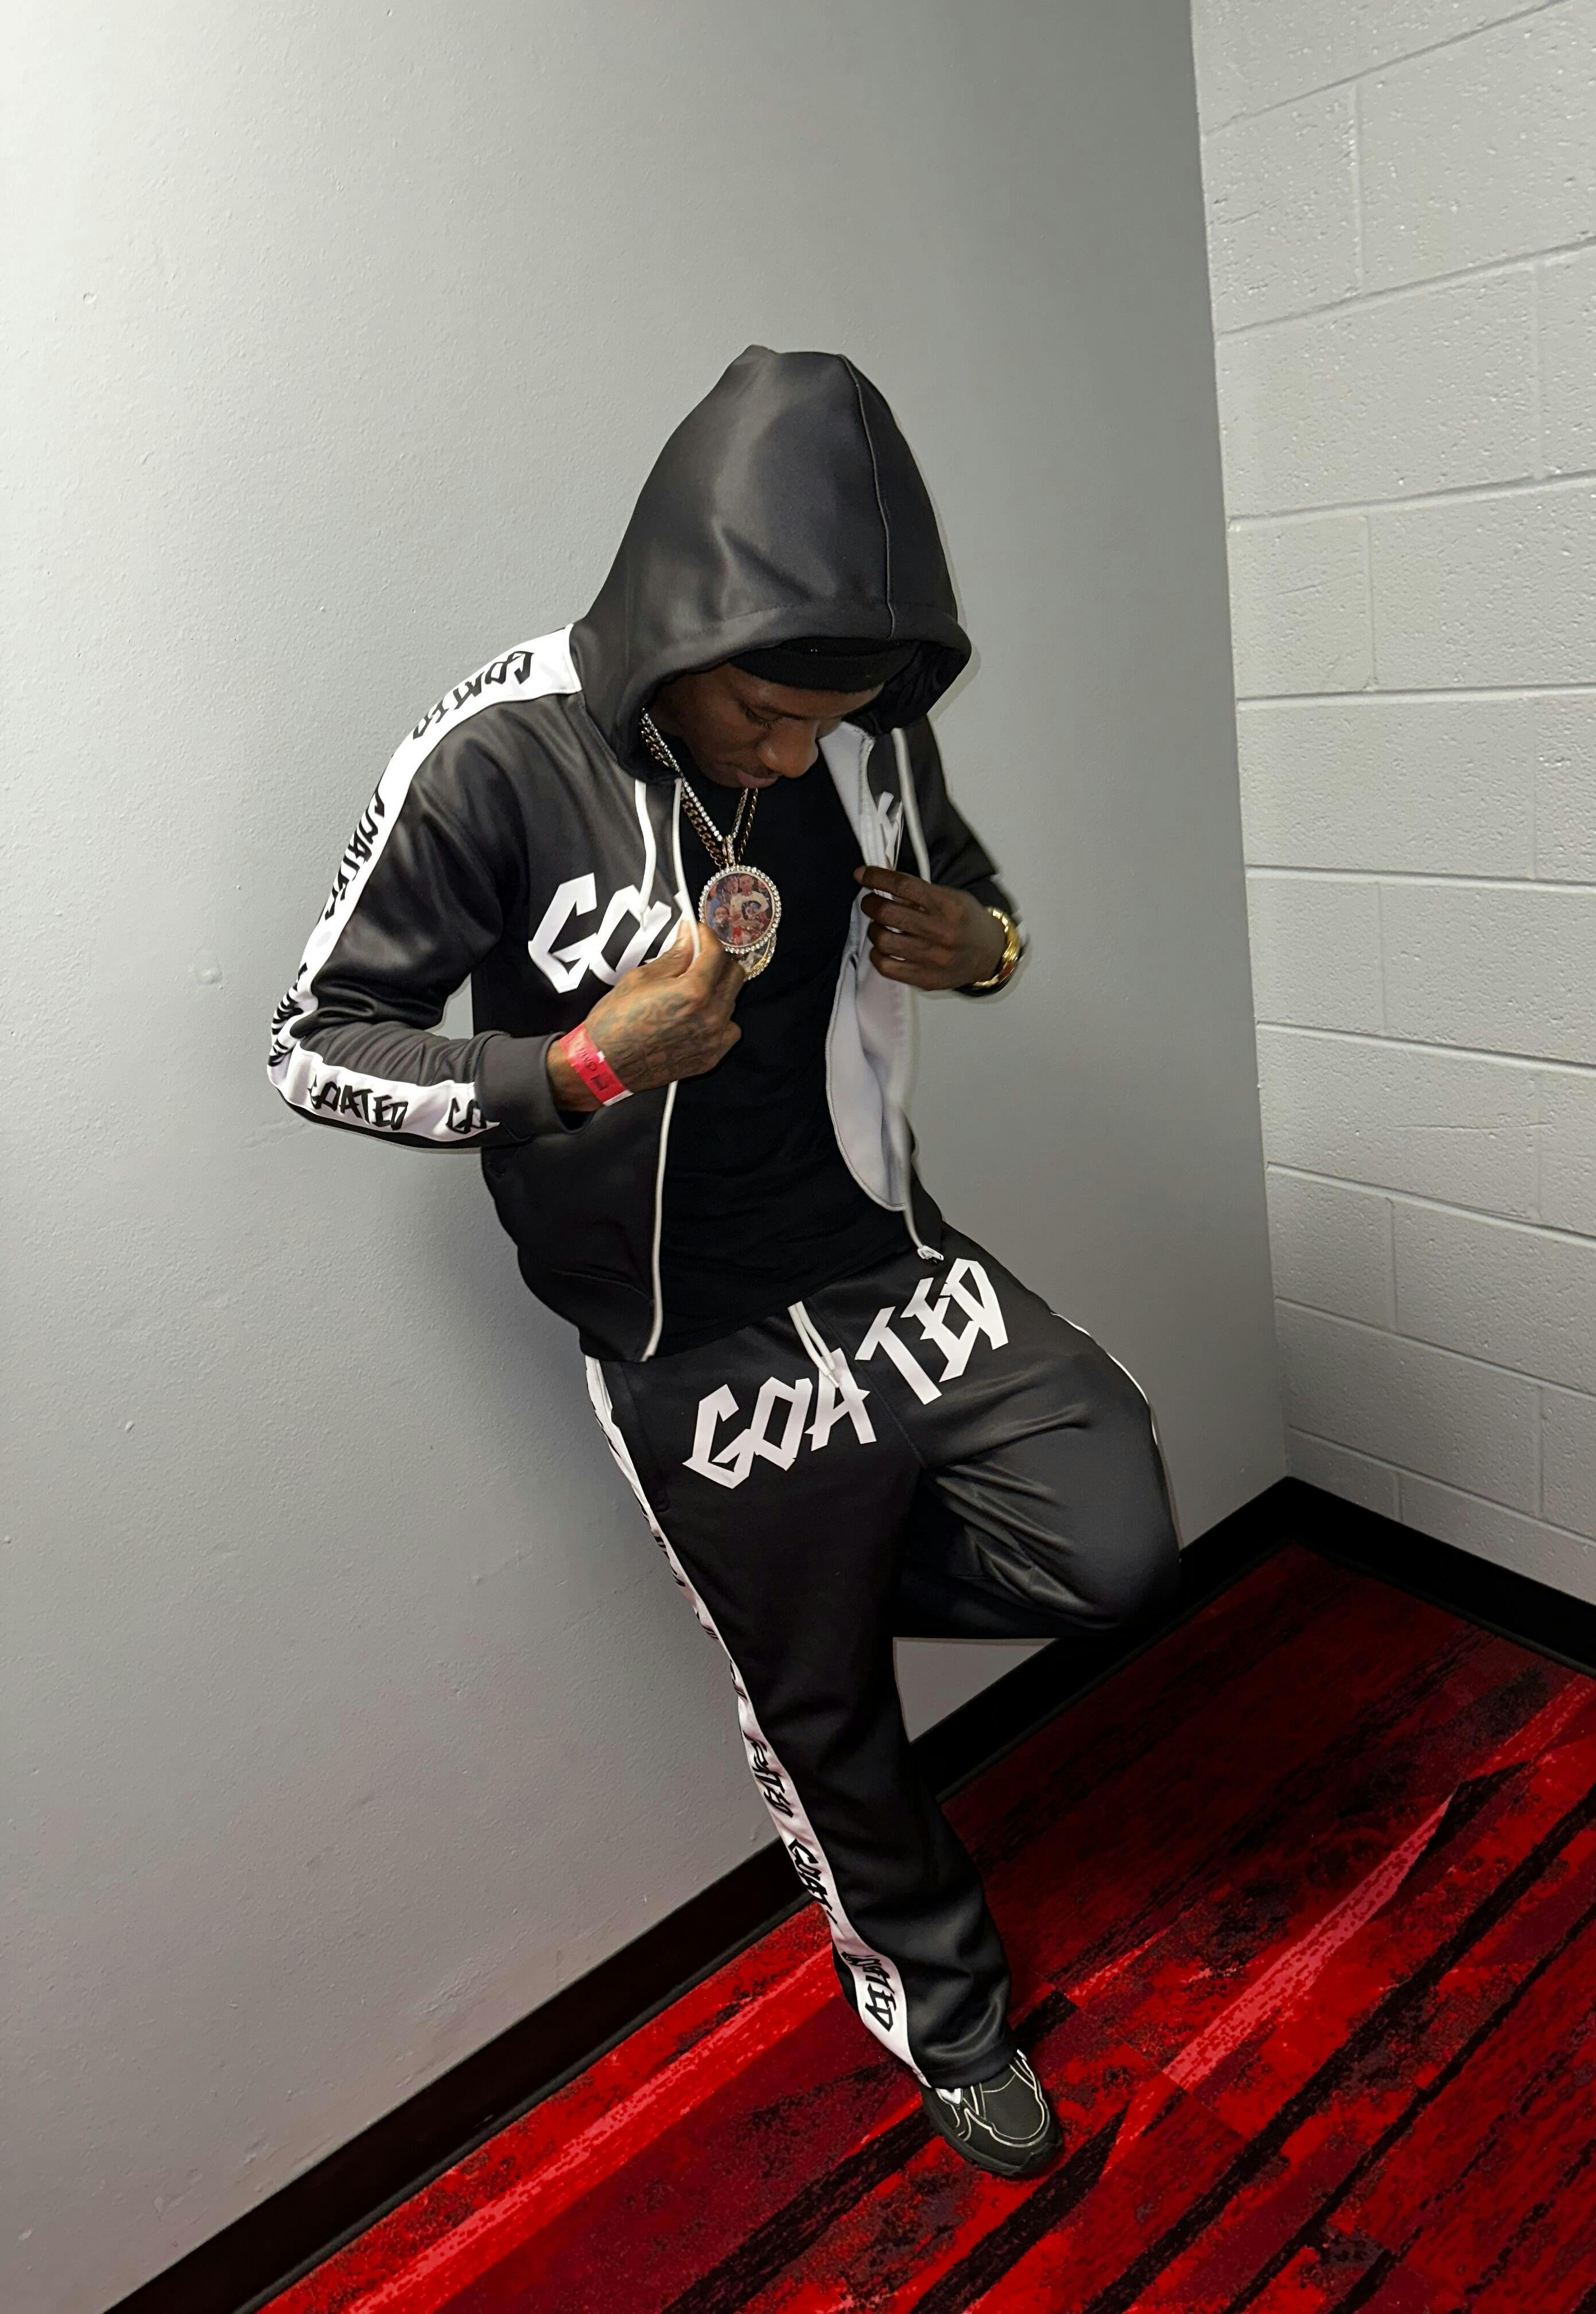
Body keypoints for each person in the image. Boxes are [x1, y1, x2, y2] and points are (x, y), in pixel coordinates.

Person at [269, 345, 1178, 2181]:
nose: (790, 756)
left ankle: (798, 1615)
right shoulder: (495, 756)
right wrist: (577, 1065)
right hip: (687, 1335)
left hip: (883, 1260)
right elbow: (314, 1043)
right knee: (832, 1724)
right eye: (765, 714)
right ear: (678, 625)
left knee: (1117, 1546)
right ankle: (945, 2013)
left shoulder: (866, 729)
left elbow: (972, 898)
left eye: (820, 726)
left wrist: (985, 947)